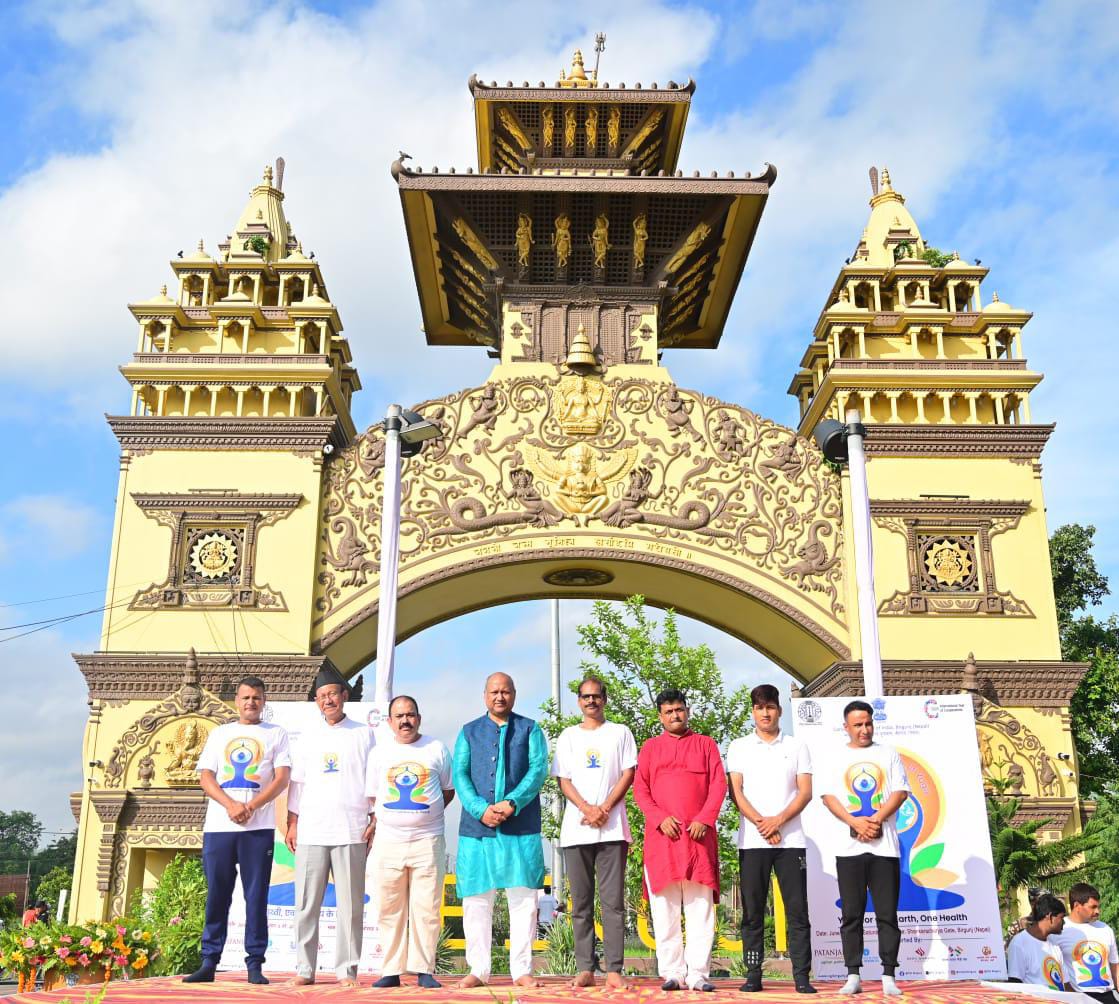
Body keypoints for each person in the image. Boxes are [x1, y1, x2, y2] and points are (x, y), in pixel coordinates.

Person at [185, 675, 291, 985]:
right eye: (245, 697)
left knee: (255, 896)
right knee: (217, 893)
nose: (251, 702)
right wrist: (231, 805)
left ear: (264, 701)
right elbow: (206, 777)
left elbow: (281, 778)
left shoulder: (276, 734)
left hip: (258, 828)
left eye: (256, 697)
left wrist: (252, 806)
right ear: (237, 701)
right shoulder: (220, 734)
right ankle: (209, 960)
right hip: (220, 827)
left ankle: (255, 962)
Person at [452, 672, 548, 989]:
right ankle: (478, 969)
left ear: (514, 695)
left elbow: (537, 771)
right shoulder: (469, 732)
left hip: (520, 825)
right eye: (494, 691)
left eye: (505, 691)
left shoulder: (530, 729)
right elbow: (461, 776)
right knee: (477, 901)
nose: (500, 697)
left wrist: (512, 803)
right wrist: (481, 810)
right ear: (485, 696)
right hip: (477, 830)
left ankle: (521, 969)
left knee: (523, 900)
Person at [286, 665, 374, 988]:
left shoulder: (364, 733)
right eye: (322, 697)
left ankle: (346, 970)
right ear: (317, 702)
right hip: (311, 830)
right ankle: (304, 968)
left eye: (332, 695)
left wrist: (374, 818)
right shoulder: (308, 736)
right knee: (307, 903)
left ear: (344, 696)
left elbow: (374, 780)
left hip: (351, 829)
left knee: (349, 905)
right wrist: (292, 823)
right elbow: (296, 785)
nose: (328, 701)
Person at [633, 689, 727, 993]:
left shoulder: (706, 745)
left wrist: (704, 817)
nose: (676, 715)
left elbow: (718, 785)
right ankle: (672, 971)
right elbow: (640, 791)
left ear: (687, 711)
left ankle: (699, 973)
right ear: (660, 716)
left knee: (700, 910)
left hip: (699, 840)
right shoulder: (649, 749)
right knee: (665, 910)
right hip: (662, 842)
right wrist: (660, 818)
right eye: (669, 711)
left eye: (680, 710)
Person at [727, 684, 815, 994]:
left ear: (779, 710)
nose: (765, 713)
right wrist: (761, 823)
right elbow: (736, 791)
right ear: (752, 711)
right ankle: (753, 974)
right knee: (752, 911)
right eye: (759, 707)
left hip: (790, 842)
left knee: (797, 911)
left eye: (771, 707)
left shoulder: (796, 746)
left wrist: (778, 820)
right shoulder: (739, 746)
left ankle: (801, 975)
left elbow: (805, 791)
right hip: (753, 842)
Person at [551, 674, 637, 990]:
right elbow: (563, 779)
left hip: (613, 829)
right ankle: (585, 967)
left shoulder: (620, 733)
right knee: (581, 903)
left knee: (613, 902)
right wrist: (588, 809)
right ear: (579, 701)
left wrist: (605, 808)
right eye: (585, 697)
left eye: (596, 696)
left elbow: (629, 772)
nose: (591, 701)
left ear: (605, 698)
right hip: (577, 829)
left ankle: (614, 969)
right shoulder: (568, 736)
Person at [820, 699, 910, 997]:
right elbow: (829, 797)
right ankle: (853, 973)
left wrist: (875, 820)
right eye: (857, 724)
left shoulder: (888, 754)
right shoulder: (835, 756)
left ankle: (888, 974)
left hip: (884, 847)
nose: (864, 729)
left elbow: (900, 792)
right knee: (852, 914)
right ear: (846, 727)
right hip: (848, 849)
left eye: (868, 723)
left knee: (887, 914)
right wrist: (855, 823)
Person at [364, 695, 454, 990]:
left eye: (411, 715)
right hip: (389, 841)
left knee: (426, 907)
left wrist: (426, 815)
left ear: (419, 717)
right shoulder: (379, 753)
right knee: (388, 907)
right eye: (399, 716)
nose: (405, 721)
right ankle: (391, 970)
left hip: (427, 840)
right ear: (389, 722)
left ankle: (423, 968)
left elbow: (446, 791)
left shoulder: (435, 748)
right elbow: (375, 797)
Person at [1051, 882, 1118, 1002]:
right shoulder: (1059, 930)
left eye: (1098, 907)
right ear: (1077, 905)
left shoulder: (1105, 929)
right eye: (1093, 907)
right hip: (1079, 997)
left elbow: (1115, 966)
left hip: (1108, 996)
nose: (1098, 911)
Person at [1007, 893, 1070, 992]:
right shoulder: (1019, 944)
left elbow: (1066, 983)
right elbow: (1015, 984)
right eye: (1061, 918)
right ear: (1049, 917)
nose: (1064, 922)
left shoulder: (1054, 945)